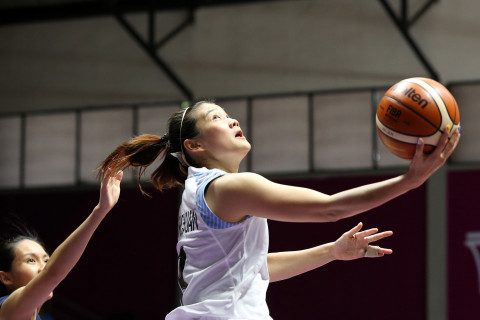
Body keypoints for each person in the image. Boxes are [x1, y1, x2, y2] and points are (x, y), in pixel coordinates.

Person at [97, 100, 460, 319]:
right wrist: (409, 181)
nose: (233, 120)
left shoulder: (194, 192)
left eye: (229, 115)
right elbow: (329, 209)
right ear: (194, 145)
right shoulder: (231, 187)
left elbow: (251, 268)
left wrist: (331, 252)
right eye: (217, 119)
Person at [0, 169, 123, 320]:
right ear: (5, 278)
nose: (43, 267)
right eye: (30, 260)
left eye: (46, 260)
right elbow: (52, 273)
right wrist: (100, 211)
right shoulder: (7, 308)